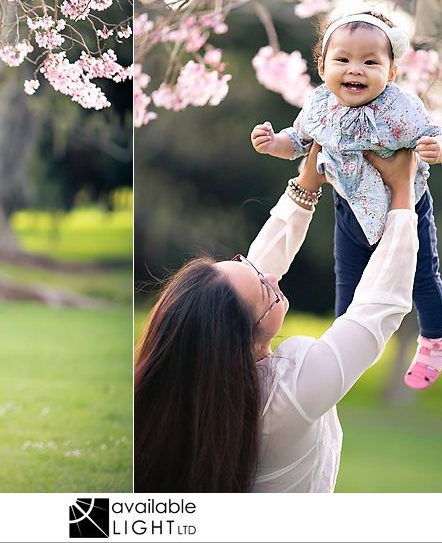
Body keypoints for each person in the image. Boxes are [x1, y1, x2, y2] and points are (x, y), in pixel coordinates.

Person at [134, 143, 420, 492]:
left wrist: (307, 184)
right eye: (266, 290)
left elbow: (252, 279)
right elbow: (378, 307)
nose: (271, 278)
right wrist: (404, 195)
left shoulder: (190, 390)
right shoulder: (290, 393)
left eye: (242, 264)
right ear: (244, 341)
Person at [251, 11, 442, 389]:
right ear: (322, 64)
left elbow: (438, 132)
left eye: (370, 62)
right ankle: (345, 345)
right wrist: (273, 143)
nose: (355, 70)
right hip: (349, 210)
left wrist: (437, 148)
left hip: (408, 208)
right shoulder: (318, 106)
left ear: (391, 72)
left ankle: (435, 337)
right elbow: (298, 142)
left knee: (422, 277)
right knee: (348, 280)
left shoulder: (402, 108)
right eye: (343, 59)